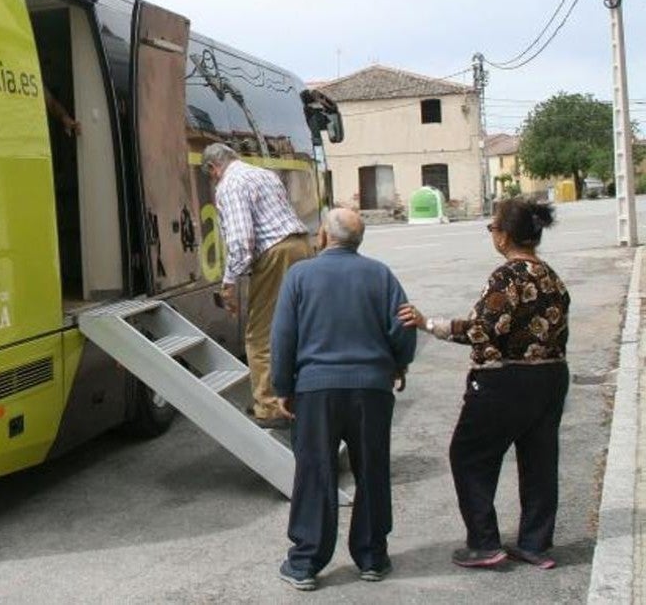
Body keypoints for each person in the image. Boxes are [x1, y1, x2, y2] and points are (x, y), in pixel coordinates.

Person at [398, 198, 569, 570]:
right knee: (539, 461)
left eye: (492, 227)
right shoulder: (550, 275)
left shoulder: (507, 276)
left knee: (469, 455)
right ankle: (535, 544)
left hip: (506, 380)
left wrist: (431, 325)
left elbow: (483, 330)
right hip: (551, 378)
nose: (491, 233)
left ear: (505, 236)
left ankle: (484, 542)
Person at [270, 208, 415, 591]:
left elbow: (283, 335)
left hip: (316, 391)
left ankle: (304, 563)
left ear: (323, 236)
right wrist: (399, 364)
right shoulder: (380, 274)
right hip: (372, 388)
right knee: (371, 469)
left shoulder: (300, 276)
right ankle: (371, 557)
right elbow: (403, 323)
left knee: (315, 472)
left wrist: (282, 386)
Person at [201, 142, 312, 428]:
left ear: (214, 169)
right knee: (295, 327)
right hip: (300, 246)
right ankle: (298, 396)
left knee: (260, 335)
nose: (214, 180)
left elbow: (241, 242)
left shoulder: (230, 185)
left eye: (211, 176)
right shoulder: (263, 174)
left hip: (275, 255)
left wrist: (228, 284)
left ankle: (271, 407)